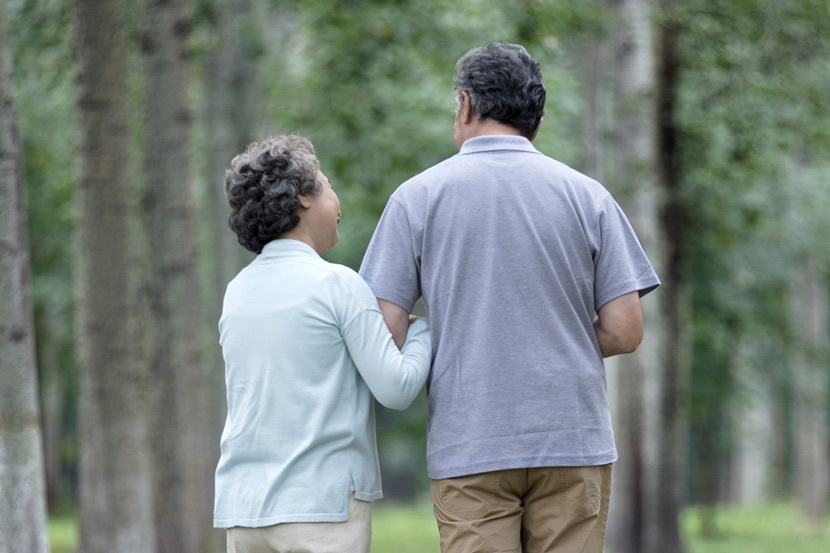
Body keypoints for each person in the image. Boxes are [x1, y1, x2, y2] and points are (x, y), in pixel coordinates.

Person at [359, 42, 660, 553]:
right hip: (572, 440)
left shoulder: (416, 198)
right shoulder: (588, 196)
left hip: (470, 441)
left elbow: (385, 330)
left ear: (465, 105)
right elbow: (625, 331)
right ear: (536, 122)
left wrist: (451, 339)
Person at [213, 135, 432, 553]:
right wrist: (426, 331)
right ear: (303, 198)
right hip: (320, 507)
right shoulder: (337, 283)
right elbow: (397, 388)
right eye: (329, 186)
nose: (338, 203)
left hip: (244, 508)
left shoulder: (237, 291)